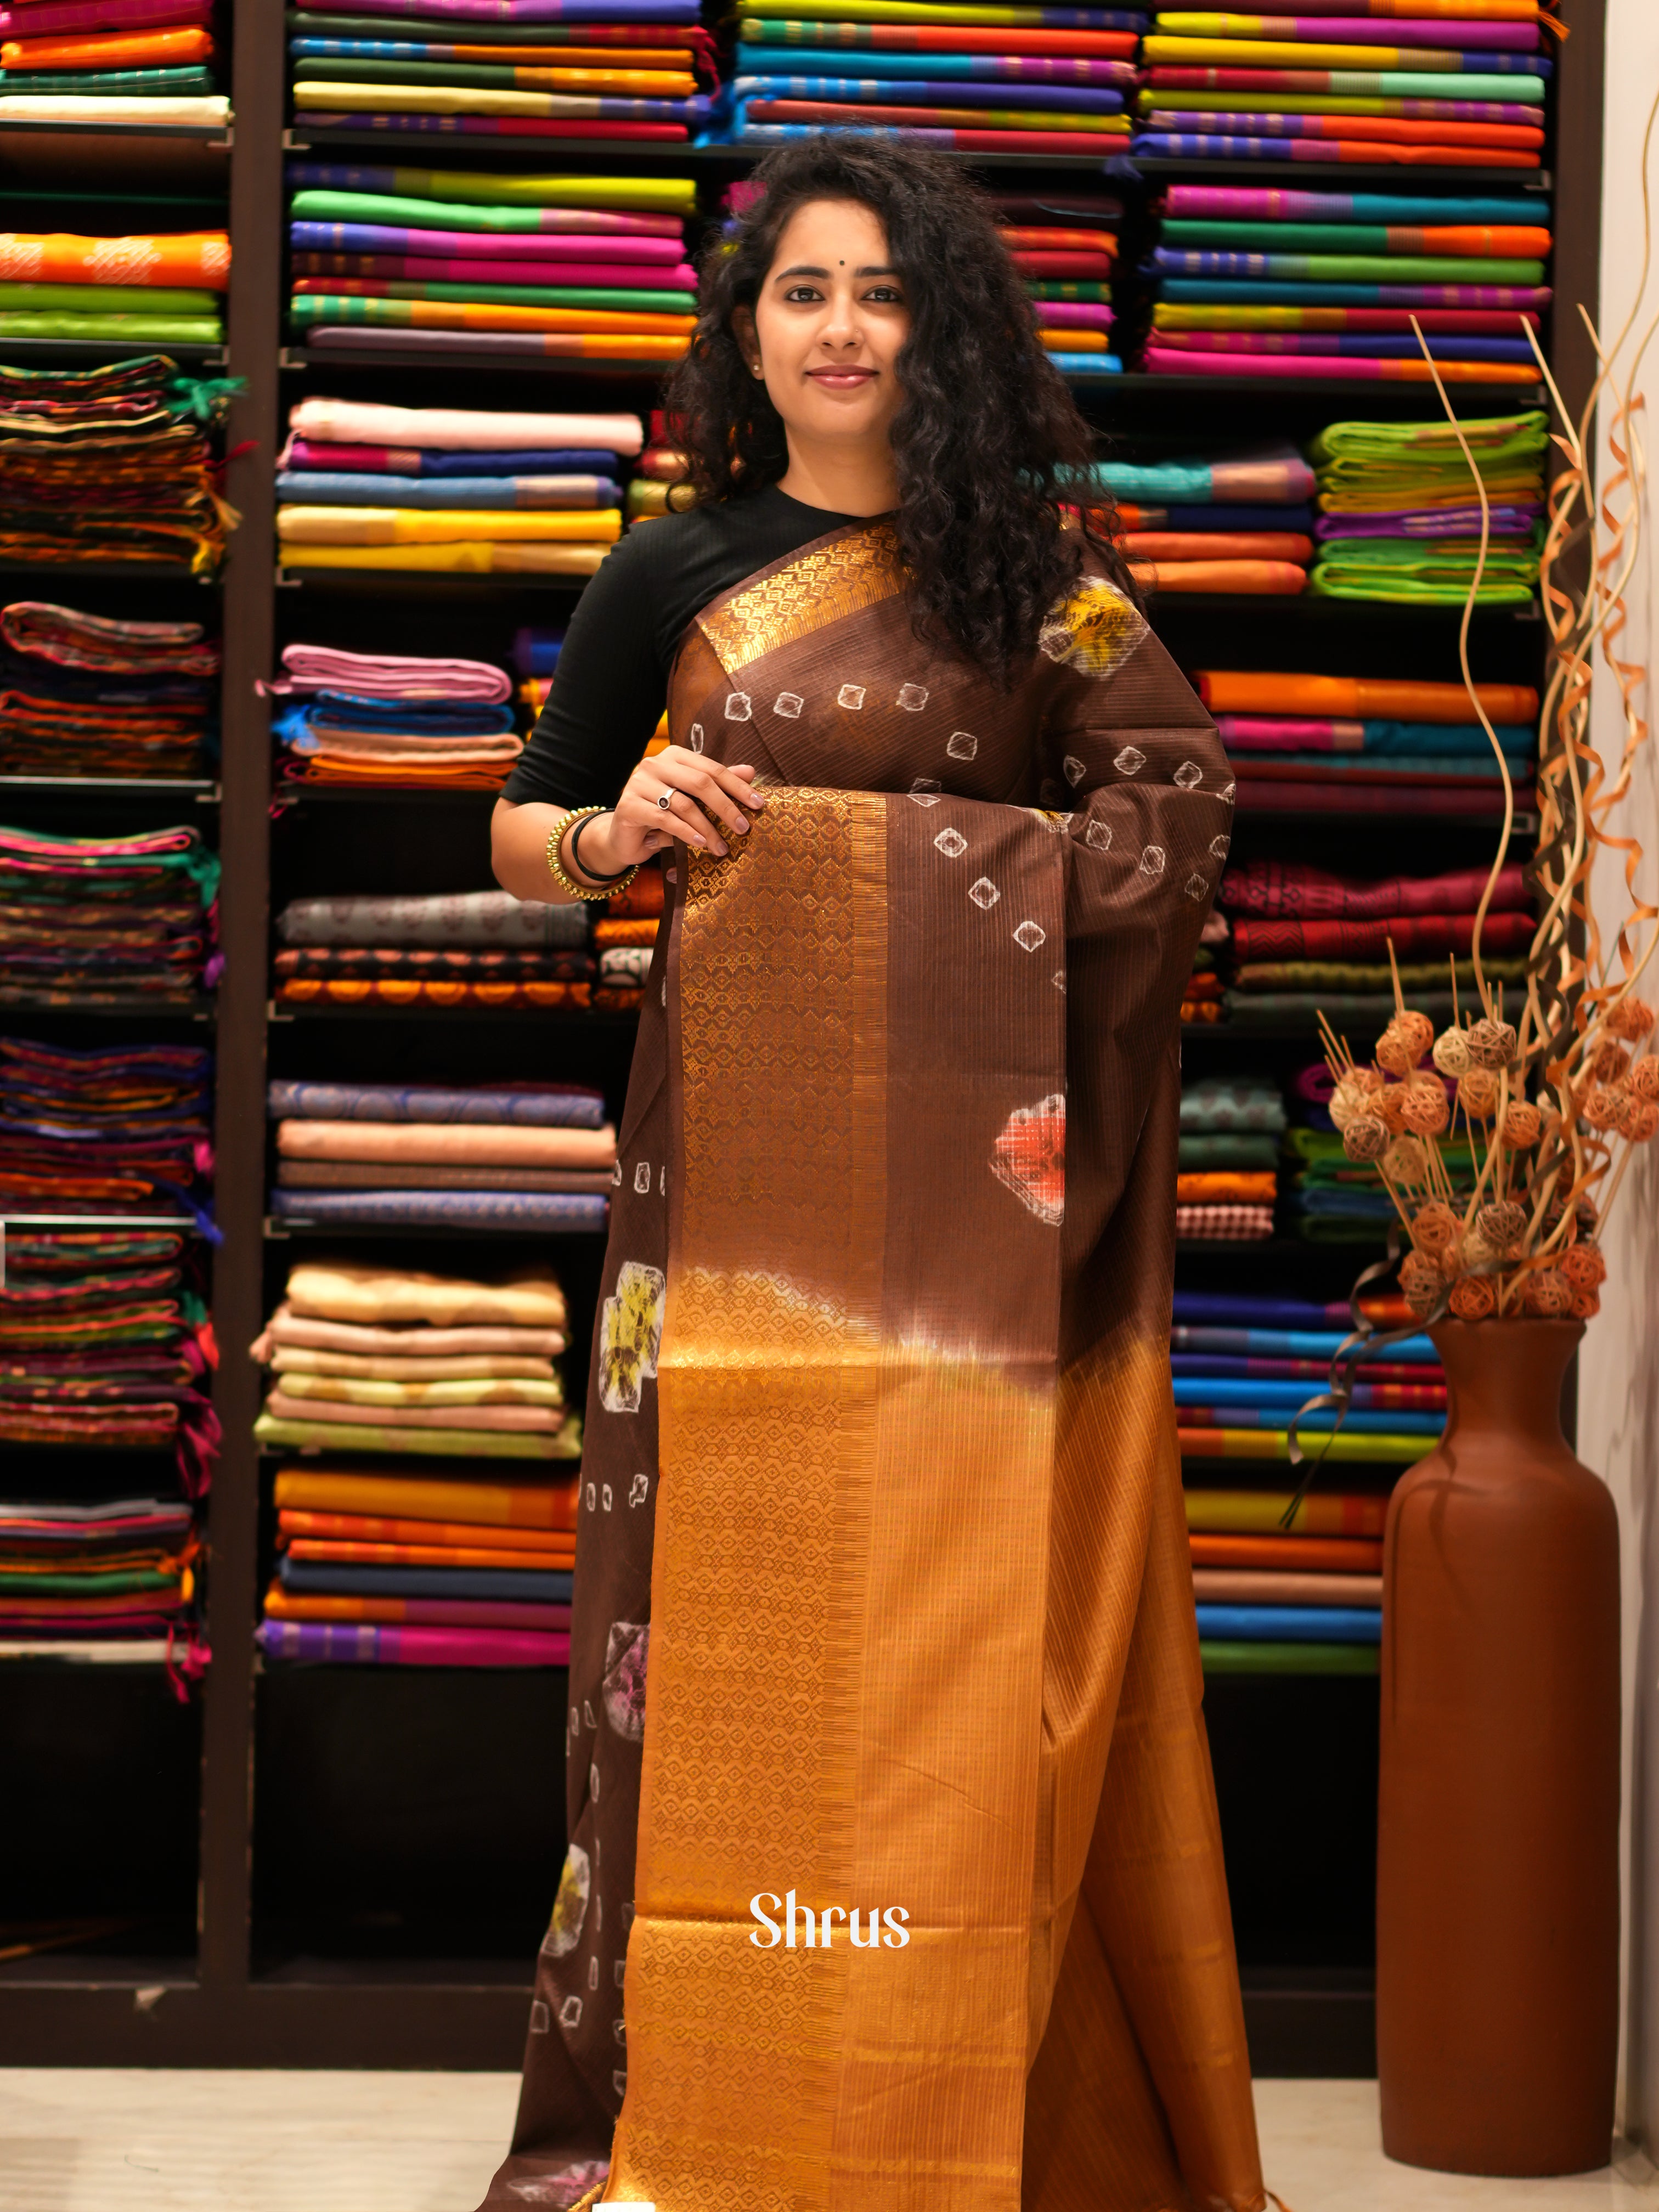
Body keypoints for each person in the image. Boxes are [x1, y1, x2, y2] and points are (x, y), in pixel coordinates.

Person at [478, 136, 1269, 2212]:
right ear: (751, 330)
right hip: (731, 1222)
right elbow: (523, 824)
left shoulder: (1038, 580)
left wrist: (894, 867)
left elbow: (1176, 820)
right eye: (804, 290)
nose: (841, 328)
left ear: (945, 334)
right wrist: (620, 826)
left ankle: (932, 2105)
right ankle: (712, 2115)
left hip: (967, 1258)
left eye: (885, 292)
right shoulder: (678, 569)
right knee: (711, 1650)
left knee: (944, 1650)